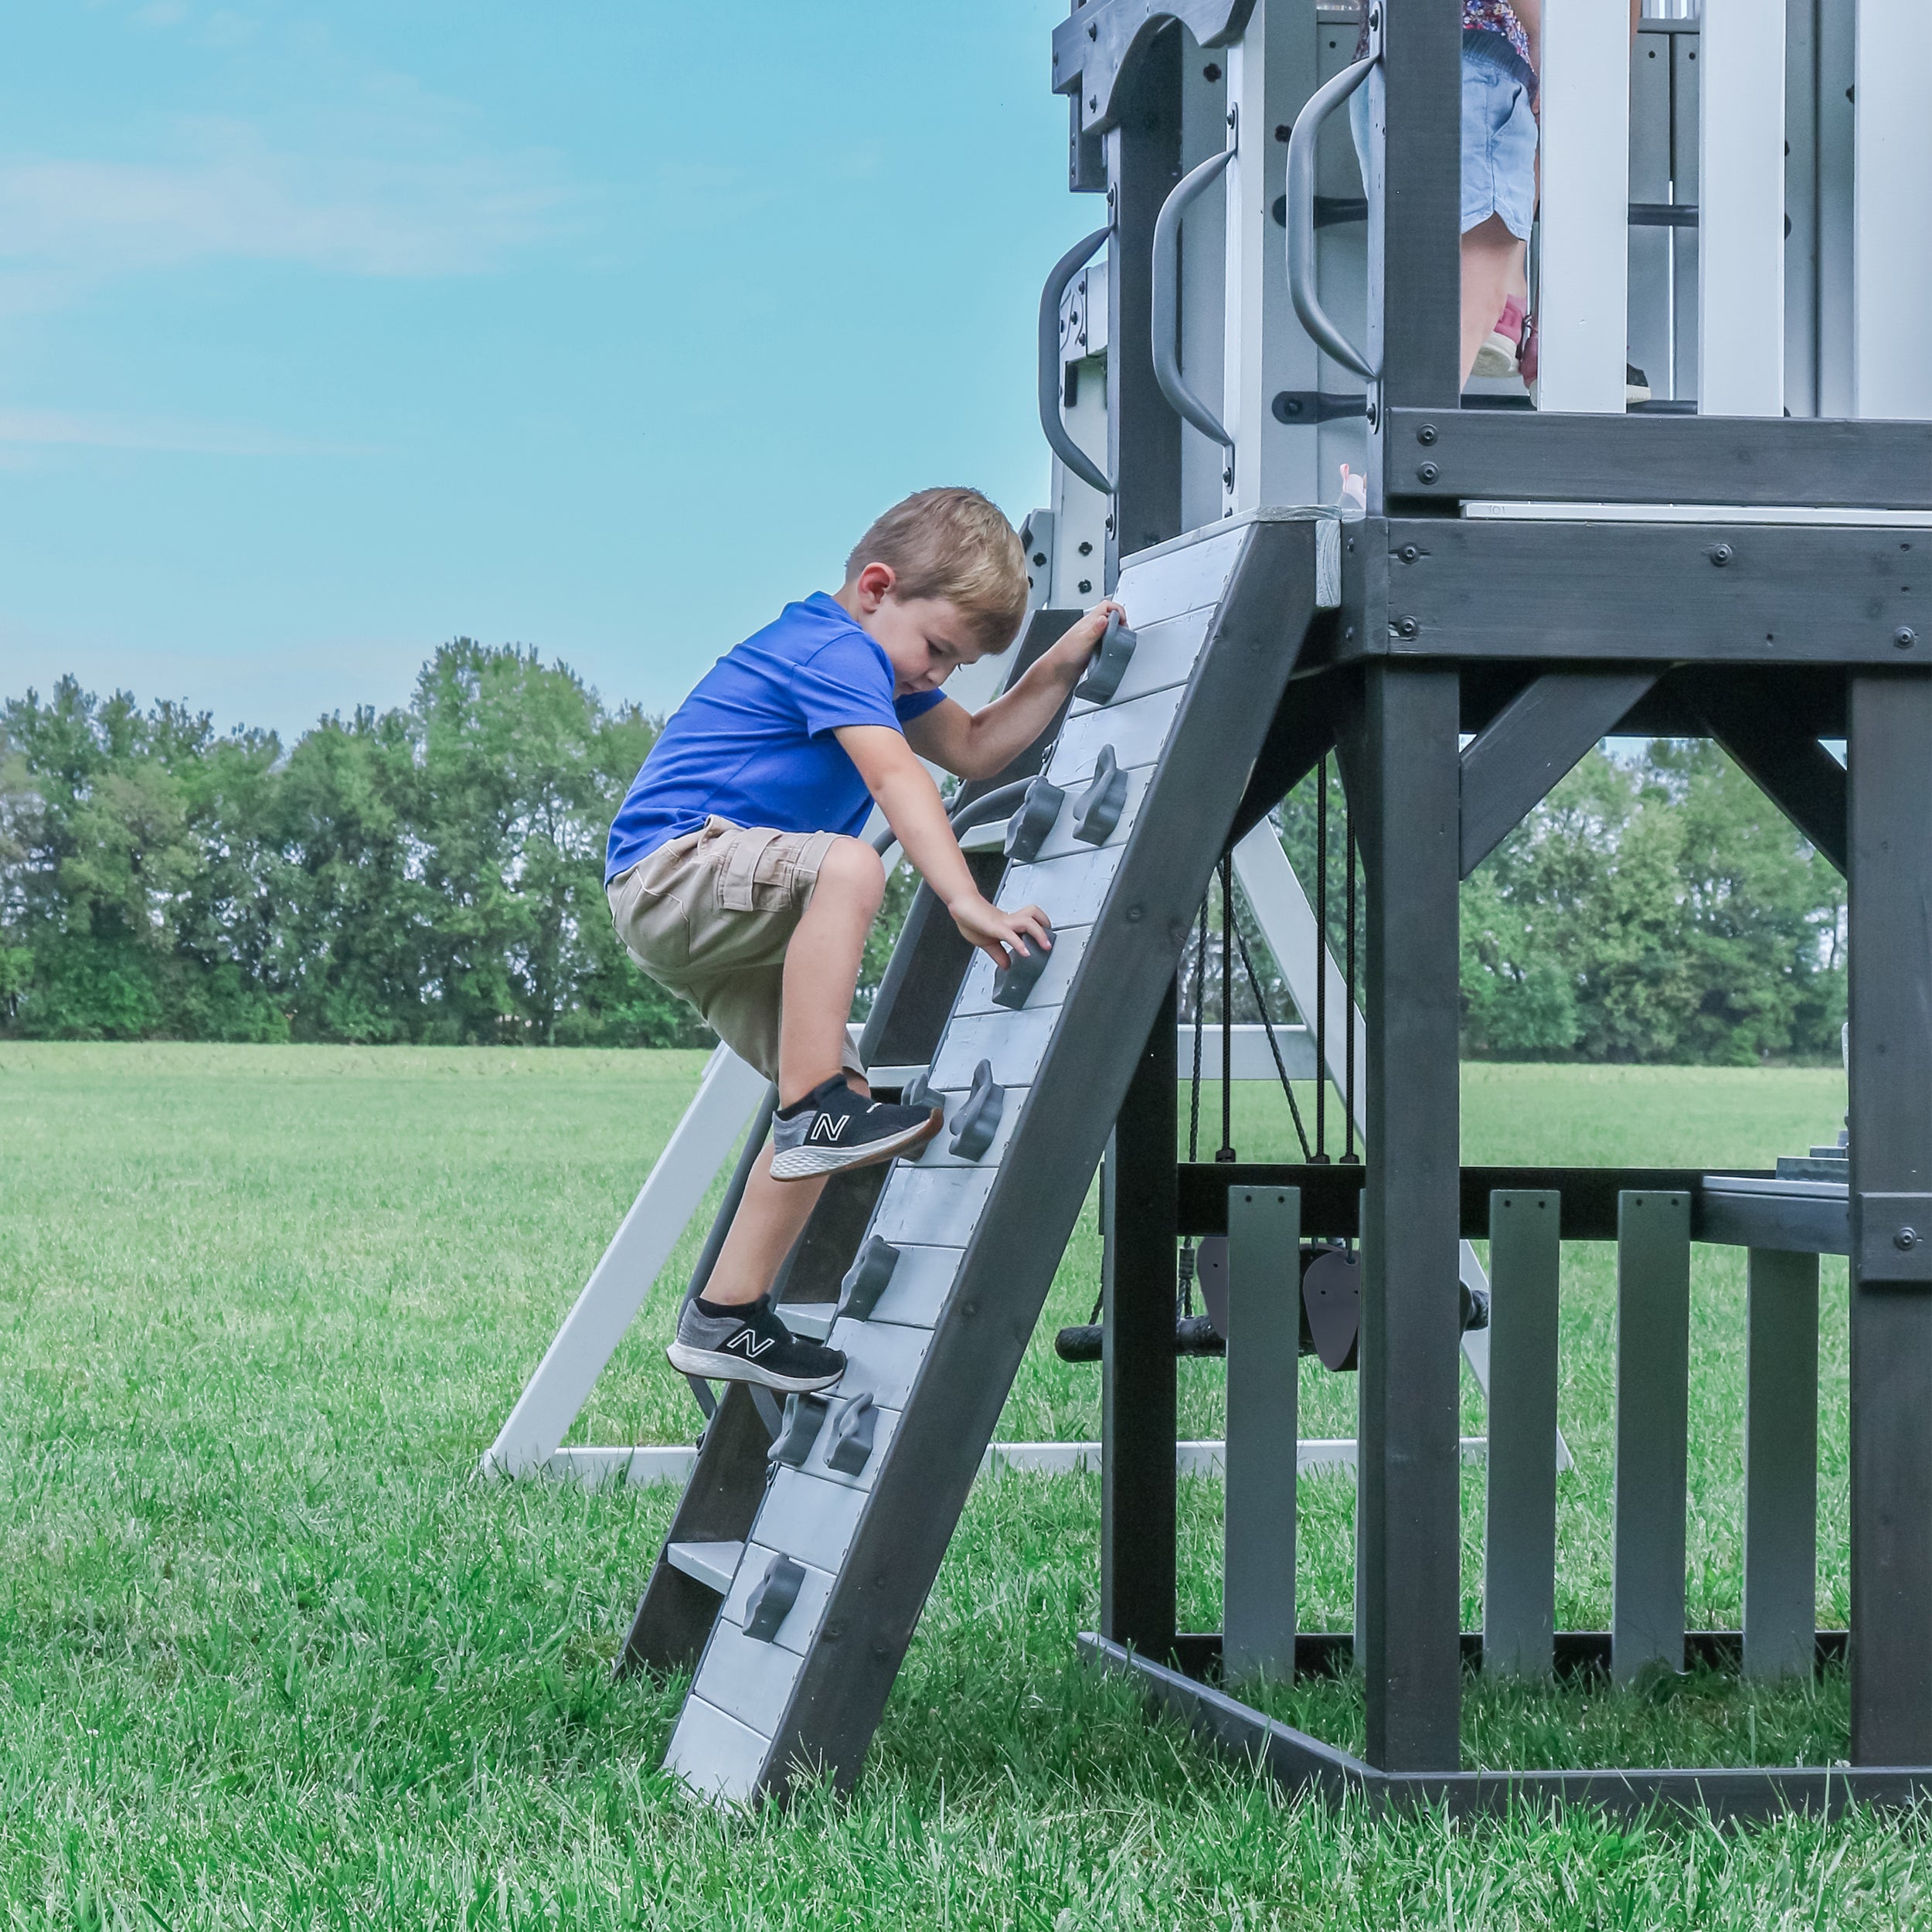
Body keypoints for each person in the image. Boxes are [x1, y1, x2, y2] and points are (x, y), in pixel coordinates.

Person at [604, 487, 1122, 1394]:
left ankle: (725, 1314)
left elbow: (972, 748)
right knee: (849, 866)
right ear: (877, 588)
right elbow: (897, 779)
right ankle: (814, 1102)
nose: (936, 680)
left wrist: (1059, 665)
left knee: (839, 1095)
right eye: (937, 651)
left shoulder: (886, 668)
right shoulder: (833, 647)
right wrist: (963, 897)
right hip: (673, 871)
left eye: (955, 665)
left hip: (717, 916)